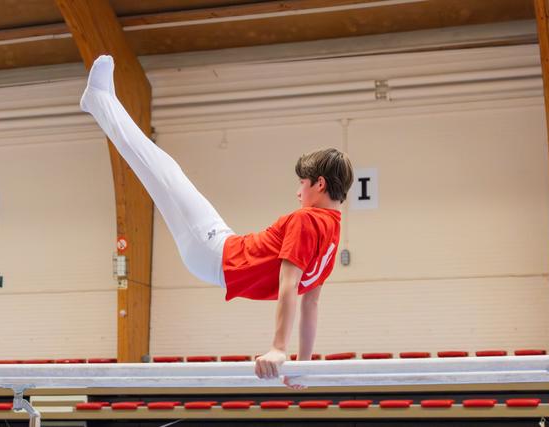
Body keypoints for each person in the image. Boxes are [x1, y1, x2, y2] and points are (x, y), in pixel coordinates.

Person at [80, 55, 354, 389]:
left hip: (212, 251)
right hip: (220, 247)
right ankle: (101, 102)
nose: (298, 192)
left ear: (320, 184)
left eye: (302, 184)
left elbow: (289, 289)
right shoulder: (333, 231)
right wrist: (305, 365)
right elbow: (311, 301)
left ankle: (99, 101)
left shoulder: (307, 221)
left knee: (162, 170)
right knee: (163, 172)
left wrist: (280, 349)